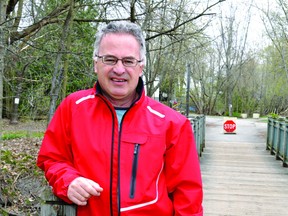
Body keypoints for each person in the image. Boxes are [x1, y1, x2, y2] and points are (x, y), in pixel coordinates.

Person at [37, 20, 203, 216]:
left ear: (141, 67)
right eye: (110, 59)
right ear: (95, 64)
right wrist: (68, 181)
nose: (119, 69)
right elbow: (52, 158)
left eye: (128, 61)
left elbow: (188, 196)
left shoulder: (172, 123)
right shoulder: (72, 108)